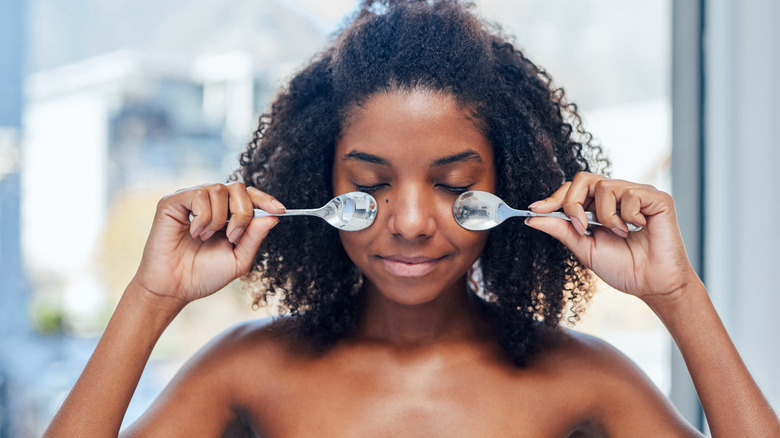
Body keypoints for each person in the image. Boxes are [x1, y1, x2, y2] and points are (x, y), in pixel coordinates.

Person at [45, 1, 779, 436]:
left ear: (510, 185)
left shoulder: (581, 382)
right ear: (320, 183)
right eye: (370, 184)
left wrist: (677, 295)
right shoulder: (248, 371)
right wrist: (151, 300)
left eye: (453, 184)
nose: (410, 222)